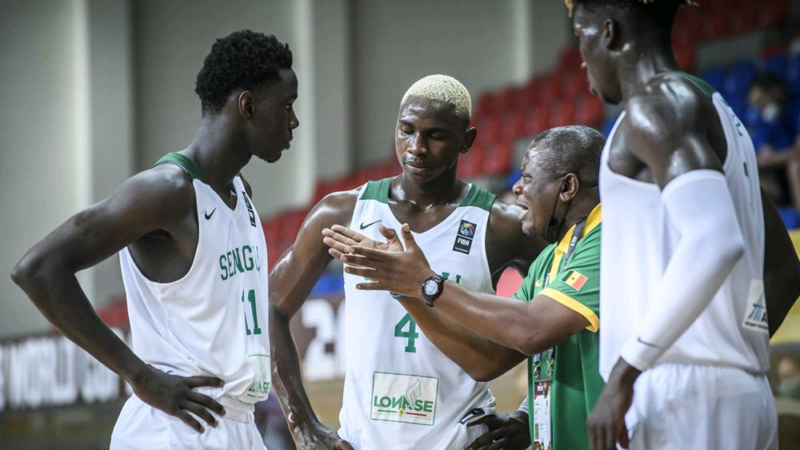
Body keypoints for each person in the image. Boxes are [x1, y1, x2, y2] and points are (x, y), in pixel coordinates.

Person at [11, 30, 298, 449]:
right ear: (248, 105)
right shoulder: (167, 191)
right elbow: (37, 270)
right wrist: (140, 376)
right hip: (176, 426)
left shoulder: (241, 194)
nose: (293, 121)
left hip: (237, 423)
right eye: (287, 106)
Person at [566, 1, 800, 449]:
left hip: (682, 394)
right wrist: (728, 353)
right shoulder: (722, 116)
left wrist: (623, 373)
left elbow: (715, 240)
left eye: (581, 36)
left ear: (610, 33)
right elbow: (787, 271)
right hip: (737, 391)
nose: (580, 56)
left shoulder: (657, 106)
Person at [269, 74, 544, 450]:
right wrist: (301, 424)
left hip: (462, 441)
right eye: (407, 130)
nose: (416, 147)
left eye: (436, 135)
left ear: (467, 140)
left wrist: (530, 415)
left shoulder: (503, 224)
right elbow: (268, 307)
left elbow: (558, 320)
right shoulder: (342, 211)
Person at [323, 126, 607, 450]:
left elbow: (532, 329)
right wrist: (404, 288)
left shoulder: (607, 239)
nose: (516, 188)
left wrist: (424, 282)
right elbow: (485, 361)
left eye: (527, 178)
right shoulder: (549, 262)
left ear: (568, 186)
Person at [747, 73, 800, 215]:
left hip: (794, 171)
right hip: (780, 177)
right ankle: (775, 228)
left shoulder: (796, 107)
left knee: (796, 166)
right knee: (756, 176)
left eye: (762, 101)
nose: (760, 108)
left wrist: (773, 158)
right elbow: (759, 155)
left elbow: (798, 151)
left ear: (776, 92)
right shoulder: (764, 120)